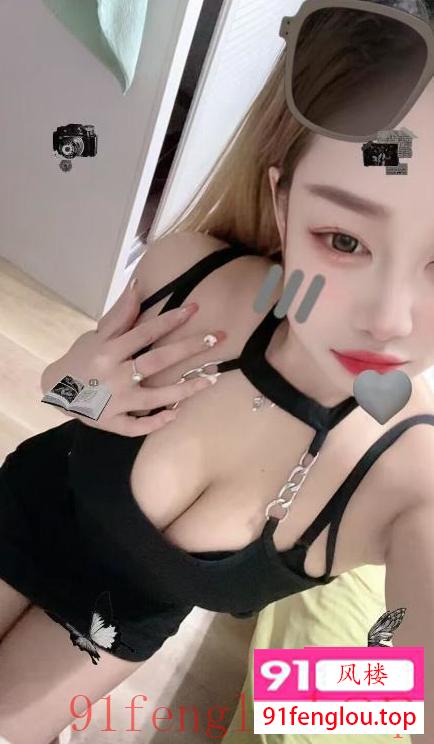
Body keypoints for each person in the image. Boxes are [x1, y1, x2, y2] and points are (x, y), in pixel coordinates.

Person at [1, 2, 434, 742]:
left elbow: (407, 690)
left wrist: (297, 697)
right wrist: (77, 386)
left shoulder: (409, 484)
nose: (389, 320)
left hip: (109, 626)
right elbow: (60, 390)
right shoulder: (189, 274)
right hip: (30, 508)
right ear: (284, 203)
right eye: (343, 240)